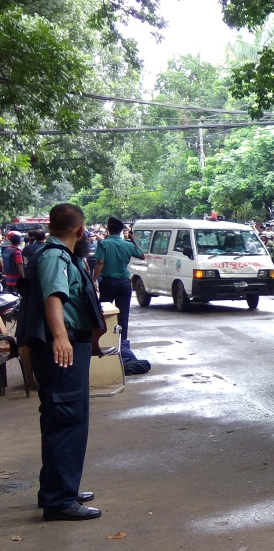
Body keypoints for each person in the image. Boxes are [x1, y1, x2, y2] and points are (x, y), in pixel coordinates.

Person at [18, 203, 104, 521]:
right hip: (62, 347)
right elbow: (53, 297)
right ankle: (60, 500)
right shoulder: (55, 256)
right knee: (68, 418)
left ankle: (57, 488)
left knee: (59, 418)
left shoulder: (51, 253)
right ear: (80, 230)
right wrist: (61, 337)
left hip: (65, 345)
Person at [92, 217, 145, 340]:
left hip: (108, 283)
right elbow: (142, 255)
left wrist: (94, 279)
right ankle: (123, 342)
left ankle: (104, 339)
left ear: (108, 229)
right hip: (124, 283)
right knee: (123, 314)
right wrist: (133, 241)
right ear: (121, 230)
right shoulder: (128, 245)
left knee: (104, 312)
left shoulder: (104, 243)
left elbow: (100, 262)